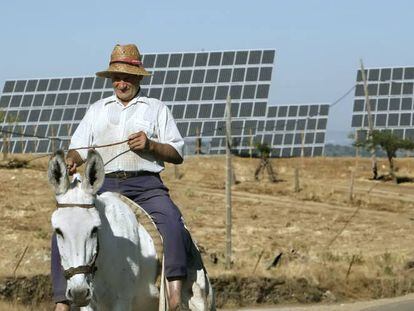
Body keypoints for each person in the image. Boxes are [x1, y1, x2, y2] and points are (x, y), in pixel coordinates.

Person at [52, 44, 190, 311]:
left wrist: (151, 146)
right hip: (104, 186)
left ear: (138, 78)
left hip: (146, 186)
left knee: (173, 223)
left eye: (127, 76)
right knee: (65, 224)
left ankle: (175, 297)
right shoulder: (97, 110)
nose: (121, 82)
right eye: (117, 77)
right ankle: (62, 300)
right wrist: (71, 160)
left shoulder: (156, 108)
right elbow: (78, 148)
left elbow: (177, 153)